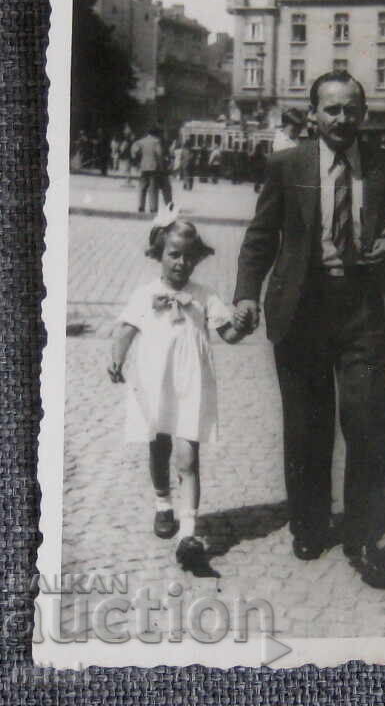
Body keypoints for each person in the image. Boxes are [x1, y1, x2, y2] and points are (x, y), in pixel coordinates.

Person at [232, 70, 385, 590]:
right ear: (313, 114)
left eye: (351, 109)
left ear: (364, 114)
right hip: (302, 309)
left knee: (369, 419)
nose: (342, 118)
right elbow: (261, 236)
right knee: (306, 424)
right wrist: (246, 293)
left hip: (365, 309)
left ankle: (363, 538)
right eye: (332, 109)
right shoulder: (286, 164)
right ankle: (309, 524)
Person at [108, 210, 248, 576]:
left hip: (191, 387)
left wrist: (243, 325)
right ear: (159, 254)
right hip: (155, 386)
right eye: (173, 254)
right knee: (158, 447)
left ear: (197, 259)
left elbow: (229, 334)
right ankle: (162, 503)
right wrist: (116, 359)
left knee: (188, 457)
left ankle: (188, 534)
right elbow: (125, 329)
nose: (181, 262)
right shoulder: (146, 295)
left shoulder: (205, 296)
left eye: (188, 256)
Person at [131, 126, 171, 213]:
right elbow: (159, 154)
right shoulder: (156, 141)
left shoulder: (140, 141)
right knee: (153, 188)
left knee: (142, 187)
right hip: (154, 167)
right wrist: (161, 166)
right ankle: (153, 207)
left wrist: (138, 161)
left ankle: (141, 206)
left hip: (143, 167)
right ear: (156, 134)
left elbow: (134, 152)